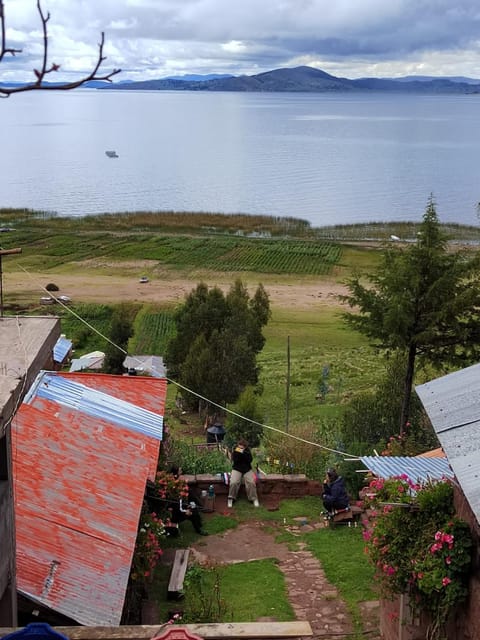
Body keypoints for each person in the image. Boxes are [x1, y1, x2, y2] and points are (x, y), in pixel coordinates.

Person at [168, 465, 208, 536]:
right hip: (176, 514)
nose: (181, 471)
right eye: (180, 470)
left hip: (179, 507)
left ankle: (199, 523)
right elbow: (178, 507)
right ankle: (199, 530)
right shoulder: (175, 490)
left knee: (193, 504)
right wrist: (186, 511)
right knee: (193, 512)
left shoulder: (175, 480)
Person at [227, 438, 259, 508]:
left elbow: (249, 460)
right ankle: (231, 498)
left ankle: (253, 498)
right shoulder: (236, 450)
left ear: (245, 447)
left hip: (247, 469)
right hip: (237, 469)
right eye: (239, 446)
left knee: (251, 482)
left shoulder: (247, 451)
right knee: (234, 482)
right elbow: (235, 460)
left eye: (242, 447)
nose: (240, 448)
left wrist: (244, 453)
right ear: (238, 445)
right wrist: (238, 453)